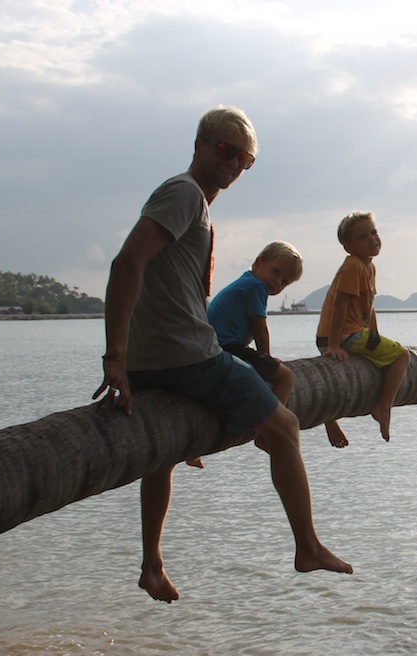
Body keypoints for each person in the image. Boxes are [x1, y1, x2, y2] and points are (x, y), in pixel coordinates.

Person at [92, 106, 352, 603]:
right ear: (201, 145)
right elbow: (126, 262)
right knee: (285, 428)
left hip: (161, 358)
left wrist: (128, 358)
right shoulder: (185, 193)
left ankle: (151, 565)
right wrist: (114, 359)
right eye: (227, 151)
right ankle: (308, 546)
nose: (234, 163)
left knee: (161, 458)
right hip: (188, 356)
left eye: (246, 159)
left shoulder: (194, 204)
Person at [176, 240, 302, 468]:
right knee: (285, 377)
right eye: (276, 272)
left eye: (284, 281)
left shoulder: (247, 280)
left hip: (211, 347)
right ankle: (272, 431)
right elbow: (259, 327)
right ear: (258, 263)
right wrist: (266, 357)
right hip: (227, 346)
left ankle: (193, 449)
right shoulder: (257, 287)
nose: (277, 282)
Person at [316, 211, 410, 445]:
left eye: (374, 232)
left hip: (346, 334)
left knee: (337, 380)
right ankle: (384, 407)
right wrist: (334, 344)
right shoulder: (354, 266)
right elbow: (340, 304)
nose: (372, 239)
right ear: (348, 247)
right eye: (362, 236)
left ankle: (330, 420)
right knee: (401, 356)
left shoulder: (369, 267)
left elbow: (368, 308)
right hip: (344, 335)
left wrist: (375, 335)